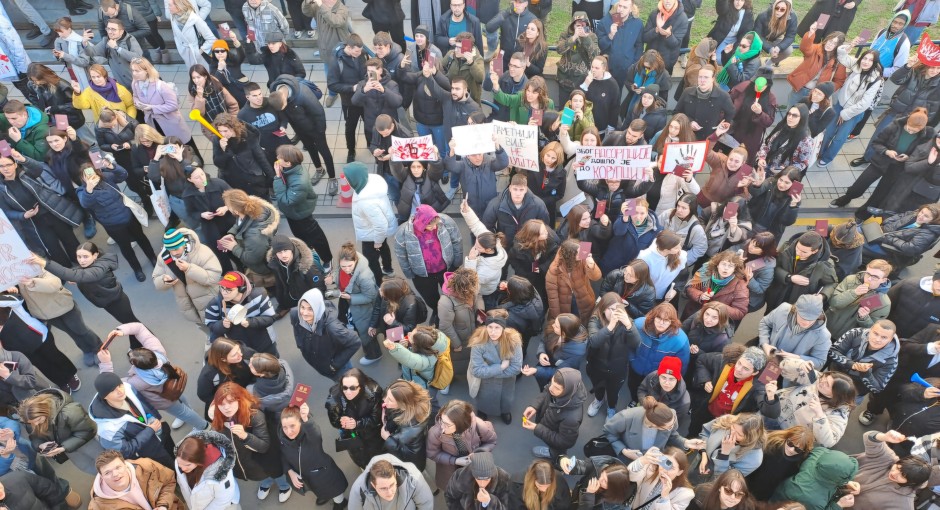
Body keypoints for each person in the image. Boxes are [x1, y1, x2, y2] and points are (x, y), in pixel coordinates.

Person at [97, 323, 208, 431]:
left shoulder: (137, 381)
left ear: (138, 366)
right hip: (173, 386)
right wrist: (122, 330)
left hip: (164, 399)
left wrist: (105, 363)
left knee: (182, 412)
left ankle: (203, 427)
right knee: (179, 398)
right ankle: (189, 412)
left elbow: (109, 384)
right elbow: (140, 328)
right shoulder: (158, 352)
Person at [30, 243, 143, 347]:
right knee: (130, 324)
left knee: (133, 325)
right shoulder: (90, 265)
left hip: (117, 303)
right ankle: (136, 345)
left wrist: (45, 263)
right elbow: (81, 273)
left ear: (95, 255)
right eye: (79, 257)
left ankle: (142, 344)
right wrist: (80, 280)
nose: (81, 260)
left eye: (85, 256)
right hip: (109, 302)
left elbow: (77, 274)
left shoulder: (100, 268)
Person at [831, 110, 934, 217]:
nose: (911, 132)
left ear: (922, 128)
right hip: (880, 161)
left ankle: (863, 214)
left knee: (880, 194)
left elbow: (920, 153)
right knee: (860, 185)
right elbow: (876, 143)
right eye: (909, 129)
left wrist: (909, 157)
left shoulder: (926, 135)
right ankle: (846, 198)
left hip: (897, 167)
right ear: (908, 120)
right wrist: (886, 151)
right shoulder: (894, 127)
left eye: (915, 132)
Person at [0, 151, 82, 270]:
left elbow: (38, 168)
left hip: (51, 211)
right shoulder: (2, 188)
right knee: (52, 247)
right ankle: (65, 270)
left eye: (8, 165)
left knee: (69, 238)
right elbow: (6, 212)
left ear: (15, 165)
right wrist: (23, 215)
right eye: (1, 166)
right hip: (34, 222)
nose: (5, 169)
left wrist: (23, 159)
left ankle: (80, 260)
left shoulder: (25, 173)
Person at [207, 382, 286, 501]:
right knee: (260, 475)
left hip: (263, 459)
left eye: (231, 402)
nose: (226, 407)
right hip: (245, 464)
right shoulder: (218, 420)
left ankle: (284, 485)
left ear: (239, 400)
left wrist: (245, 436)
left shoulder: (254, 416)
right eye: (221, 404)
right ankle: (266, 481)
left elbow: (264, 446)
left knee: (274, 472)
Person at [816, 46, 884, 169]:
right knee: (828, 132)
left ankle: (827, 158)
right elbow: (842, 56)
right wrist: (846, 47)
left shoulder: (875, 79)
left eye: (870, 60)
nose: (866, 62)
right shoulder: (857, 66)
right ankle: (819, 153)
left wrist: (845, 114)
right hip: (839, 106)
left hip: (854, 113)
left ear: (874, 63)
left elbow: (865, 103)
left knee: (839, 138)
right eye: (865, 58)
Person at [88, 372, 175, 468]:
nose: (120, 391)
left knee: (176, 457)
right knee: (170, 470)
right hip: (149, 453)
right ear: (104, 396)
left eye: (119, 385)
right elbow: (126, 451)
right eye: (113, 390)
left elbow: (144, 403)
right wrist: (150, 431)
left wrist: (158, 418)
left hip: (160, 432)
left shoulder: (127, 388)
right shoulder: (107, 430)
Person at [768, 357, 856, 447]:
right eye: (825, 377)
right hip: (773, 408)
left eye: (827, 385)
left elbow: (828, 442)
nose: (822, 382)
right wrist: (799, 365)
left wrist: (820, 415)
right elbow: (783, 367)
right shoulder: (816, 378)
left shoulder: (839, 412)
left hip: (787, 434)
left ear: (835, 395)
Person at [691, 345, 777, 435]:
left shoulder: (757, 386)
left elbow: (771, 414)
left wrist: (771, 398)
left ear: (755, 372)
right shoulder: (724, 362)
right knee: (693, 431)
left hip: (726, 424)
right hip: (705, 409)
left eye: (745, 369)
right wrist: (705, 379)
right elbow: (702, 360)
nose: (738, 369)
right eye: (739, 363)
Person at [393, 205, 463, 315]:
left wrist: (456, 264)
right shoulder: (403, 232)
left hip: (447, 268)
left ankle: (452, 311)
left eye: (436, 224)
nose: (435, 228)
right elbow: (402, 255)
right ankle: (437, 311)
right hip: (423, 275)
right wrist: (410, 273)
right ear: (420, 222)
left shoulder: (446, 222)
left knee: (454, 293)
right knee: (430, 297)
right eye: (431, 225)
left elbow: (456, 241)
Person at [268, 74, 334, 188]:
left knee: (324, 151)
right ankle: (319, 169)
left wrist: (320, 131)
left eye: (284, 106)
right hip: (299, 128)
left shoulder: (303, 95)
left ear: (284, 97)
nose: (284, 109)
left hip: (315, 128)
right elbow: (282, 112)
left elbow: (319, 113)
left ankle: (332, 177)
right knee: (310, 148)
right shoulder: (275, 93)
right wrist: (284, 125)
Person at [279, 404, 349, 509]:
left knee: (335, 490)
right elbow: (283, 456)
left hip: (324, 473)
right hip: (308, 476)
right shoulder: (283, 440)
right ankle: (325, 495)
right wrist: (290, 472)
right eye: (285, 427)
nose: (288, 431)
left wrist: (306, 418)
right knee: (319, 489)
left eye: (292, 426)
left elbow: (315, 433)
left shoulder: (311, 437)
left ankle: (340, 502)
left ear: (301, 423)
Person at [152, 228, 222, 325]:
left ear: (183, 243)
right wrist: (163, 280)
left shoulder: (202, 252)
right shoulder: (163, 257)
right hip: (188, 306)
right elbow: (156, 279)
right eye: (170, 250)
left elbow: (213, 277)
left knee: (220, 328)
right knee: (204, 327)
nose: (174, 253)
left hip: (209, 302)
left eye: (176, 249)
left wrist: (189, 269)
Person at [343, 162, 397, 284]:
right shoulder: (371, 183)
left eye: (347, 177)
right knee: (383, 247)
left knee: (371, 260)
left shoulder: (366, 202)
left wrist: (377, 241)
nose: (345, 179)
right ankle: (388, 269)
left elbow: (380, 224)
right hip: (377, 232)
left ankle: (379, 283)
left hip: (371, 234)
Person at [130, 58, 197, 158]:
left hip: (169, 121)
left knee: (184, 144)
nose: (134, 73)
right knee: (166, 144)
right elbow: (135, 95)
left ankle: (196, 162)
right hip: (153, 122)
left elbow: (173, 105)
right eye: (133, 70)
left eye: (137, 71)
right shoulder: (135, 84)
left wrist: (152, 108)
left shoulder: (161, 86)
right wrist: (137, 102)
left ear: (146, 71)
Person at [603, 396, 703, 462]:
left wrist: (685, 442)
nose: (672, 427)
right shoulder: (625, 418)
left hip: (655, 459)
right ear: (655, 426)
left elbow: (672, 435)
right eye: (668, 427)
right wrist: (624, 451)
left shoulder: (671, 415)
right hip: (630, 458)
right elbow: (609, 432)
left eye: (672, 424)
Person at [426, 399, 497, 491]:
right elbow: (432, 453)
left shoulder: (479, 426)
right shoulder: (435, 432)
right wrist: (455, 461)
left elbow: (491, 441)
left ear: (461, 424)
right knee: (453, 490)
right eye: (441, 420)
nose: (442, 428)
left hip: (475, 466)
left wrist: (478, 454)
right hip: (449, 468)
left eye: (447, 425)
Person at [852, 431, 932, 509]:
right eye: (897, 467)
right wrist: (884, 437)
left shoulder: (903, 505)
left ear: (912, 482)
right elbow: (869, 437)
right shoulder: (888, 458)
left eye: (902, 475)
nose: (894, 473)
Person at [829, 320, 900, 408]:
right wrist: (852, 365)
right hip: (830, 380)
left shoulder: (891, 361)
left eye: (884, 337)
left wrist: (866, 373)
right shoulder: (855, 333)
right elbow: (833, 351)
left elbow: (877, 388)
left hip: (852, 394)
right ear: (870, 329)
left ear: (891, 339)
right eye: (875, 333)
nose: (877, 339)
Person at [205, 270, 278, 355]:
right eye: (222, 288)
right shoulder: (215, 304)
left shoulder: (259, 295)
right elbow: (210, 325)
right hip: (240, 349)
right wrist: (222, 325)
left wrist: (250, 322)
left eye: (229, 290)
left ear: (241, 289)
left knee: (273, 364)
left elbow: (271, 317)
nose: (224, 292)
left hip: (266, 343)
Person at [469, 312, 523, 424]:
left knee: (506, 399)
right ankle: (483, 411)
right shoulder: (478, 342)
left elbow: (516, 368)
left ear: (503, 328)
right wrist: (501, 367)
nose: (493, 332)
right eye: (490, 327)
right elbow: (476, 371)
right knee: (484, 398)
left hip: (504, 382)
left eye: (497, 328)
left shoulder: (513, 341)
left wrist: (488, 372)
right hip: (486, 384)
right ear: (486, 326)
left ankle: (505, 411)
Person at [326, 367, 384, 469]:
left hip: (372, 434)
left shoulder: (373, 392)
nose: (348, 392)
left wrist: (357, 423)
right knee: (359, 456)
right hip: (351, 435)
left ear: (361, 386)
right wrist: (341, 422)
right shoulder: (334, 399)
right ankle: (363, 466)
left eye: (352, 388)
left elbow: (377, 418)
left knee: (377, 454)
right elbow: (334, 422)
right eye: (345, 387)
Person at [764, 231, 837, 313]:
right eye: (797, 248)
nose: (798, 253)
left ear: (815, 251)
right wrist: (789, 277)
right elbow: (773, 267)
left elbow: (832, 283)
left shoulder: (825, 264)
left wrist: (822, 295)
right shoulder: (786, 248)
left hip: (798, 306)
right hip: (776, 299)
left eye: (804, 252)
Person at [522, 367, 586, 459]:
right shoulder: (559, 387)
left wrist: (537, 428)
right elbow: (546, 392)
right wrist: (534, 406)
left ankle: (553, 456)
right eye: (551, 382)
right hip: (548, 423)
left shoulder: (572, 418)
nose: (551, 388)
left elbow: (564, 442)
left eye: (557, 388)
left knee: (558, 452)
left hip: (556, 436)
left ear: (567, 390)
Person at [631, 304, 690, 403]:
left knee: (653, 393)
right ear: (653, 317)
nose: (661, 323)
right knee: (633, 386)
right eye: (658, 318)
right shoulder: (638, 325)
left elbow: (681, 366)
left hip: (658, 376)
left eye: (666, 320)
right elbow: (628, 343)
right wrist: (632, 359)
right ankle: (634, 400)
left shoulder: (680, 340)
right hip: (637, 368)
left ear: (672, 322)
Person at [88, 449, 184, 509]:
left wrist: (163, 506)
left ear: (125, 464)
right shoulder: (97, 506)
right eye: (107, 472)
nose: (115, 474)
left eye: (118, 467)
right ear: (102, 477)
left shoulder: (147, 467)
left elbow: (169, 482)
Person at [824, 260, 893, 340]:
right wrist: (854, 293)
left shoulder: (883, 302)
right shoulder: (851, 280)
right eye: (868, 273)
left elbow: (873, 329)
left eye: (875, 277)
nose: (869, 279)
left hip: (845, 338)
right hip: (825, 325)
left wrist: (864, 318)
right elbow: (834, 303)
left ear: (883, 280)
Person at [759, 294, 832, 369]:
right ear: (796, 309)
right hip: (764, 356)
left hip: (787, 370)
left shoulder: (823, 335)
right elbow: (765, 323)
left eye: (811, 319)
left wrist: (798, 358)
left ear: (819, 316)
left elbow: (820, 361)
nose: (807, 322)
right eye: (803, 317)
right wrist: (764, 343)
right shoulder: (783, 309)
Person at [211, 113, 272, 199]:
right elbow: (218, 163)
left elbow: (261, 158)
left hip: (253, 178)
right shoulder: (217, 139)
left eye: (225, 131)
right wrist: (224, 151)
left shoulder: (248, 136)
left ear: (233, 128)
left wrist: (271, 178)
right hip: (234, 181)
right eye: (220, 131)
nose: (223, 134)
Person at [266, 235, 327, 320]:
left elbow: (319, 286)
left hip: (306, 297)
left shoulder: (307, 265)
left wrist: (314, 307)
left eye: (285, 250)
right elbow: (280, 284)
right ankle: (286, 306)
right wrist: (282, 303)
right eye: (279, 252)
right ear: (275, 254)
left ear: (291, 249)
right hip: (291, 293)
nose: (283, 255)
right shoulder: (276, 263)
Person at [862, 205, 940, 271]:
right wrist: (887, 224)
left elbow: (910, 248)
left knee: (857, 243)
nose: (920, 216)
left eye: (926, 216)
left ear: (933, 220)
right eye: (922, 212)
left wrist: (889, 238)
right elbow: (898, 216)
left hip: (890, 249)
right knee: (858, 230)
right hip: (882, 234)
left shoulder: (928, 234)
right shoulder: (913, 214)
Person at [174, 432, 240, 509]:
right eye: (179, 463)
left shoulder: (220, 475)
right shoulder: (181, 459)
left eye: (188, 465)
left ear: (199, 460)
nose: (182, 468)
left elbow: (222, 500)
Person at [522, 313, 588, 390]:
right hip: (547, 365)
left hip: (557, 377)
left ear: (563, 333)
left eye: (556, 326)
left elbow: (561, 372)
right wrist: (541, 353)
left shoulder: (576, 353)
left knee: (551, 389)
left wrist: (536, 370)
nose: (552, 325)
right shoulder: (556, 329)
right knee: (543, 385)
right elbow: (543, 340)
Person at [881, 130, 940, 214]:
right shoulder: (924, 147)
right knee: (892, 209)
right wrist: (927, 163)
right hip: (907, 188)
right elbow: (909, 167)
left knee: (912, 215)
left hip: (925, 194)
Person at [683, 251, 750, 324]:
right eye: (723, 264)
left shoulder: (740, 285)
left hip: (713, 321)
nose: (726, 268)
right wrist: (700, 296)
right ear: (718, 265)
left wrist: (718, 307)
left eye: (730, 266)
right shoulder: (705, 271)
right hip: (692, 313)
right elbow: (689, 288)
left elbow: (740, 312)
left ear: (735, 269)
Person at [348, 454, 435, 510]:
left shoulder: (412, 477)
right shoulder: (358, 491)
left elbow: (426, 503)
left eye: (392, 485)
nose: (389, 492)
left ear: (395, 475)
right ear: (373, 485)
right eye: (383, 488)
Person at [546, 239, 602, 324]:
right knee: (570, 322)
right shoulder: (554, 270)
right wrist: (557, 318)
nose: (582, 255)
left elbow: (596, 277)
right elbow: (553, 298)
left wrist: (592, 266)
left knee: (585, 319)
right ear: (570, 256)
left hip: (584, 297)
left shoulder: (582, 257)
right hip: (565, 302)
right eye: (578, 253)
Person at [383, 325, 448, 397]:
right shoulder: (429, 347)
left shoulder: (425, 361)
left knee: (423, 400)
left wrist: (396, 348)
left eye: (411, 336)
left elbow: (411, 359)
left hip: (419, 386)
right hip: (412, 377)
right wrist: (405, 348)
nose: (409, 333)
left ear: (418, 345)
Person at [381, 379, 432, 470]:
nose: (385, 401)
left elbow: (404, 454)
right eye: (387, 396)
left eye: (390, 400)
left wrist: (388, 439)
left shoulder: (410, 429)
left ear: (403, 405)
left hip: (411, 464)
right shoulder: (408, 399)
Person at [675, 67, 736, 141]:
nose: (702, 80)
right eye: (700, 77)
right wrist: (689, 122)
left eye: (706, 77)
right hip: (688, 136)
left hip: (709, 137)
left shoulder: (723, 96)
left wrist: (722, 126)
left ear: (712, 79)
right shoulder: (687, 92)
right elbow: (677, 112)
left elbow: (731, 112)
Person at [698, 413, 766, 478]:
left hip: (711, 478)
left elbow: (725, 478)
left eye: (739, 434)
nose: (732, 433)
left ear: (750, 438)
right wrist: (703, 453)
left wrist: (724, 454)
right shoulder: (727, 419)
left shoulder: (754, 459)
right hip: (700, 458)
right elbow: (705, 432)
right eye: (733, 427)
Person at [788, 29, 847, 103]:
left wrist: (826, 91)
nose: (830, 44)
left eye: (834, 43)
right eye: (830, 41)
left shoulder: (839, 61)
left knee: (809, 114)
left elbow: (839, 81)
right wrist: (810, 33)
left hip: (816, 95)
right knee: (791, 111)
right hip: (799, 89)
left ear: (838, 47)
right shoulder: (816, 48)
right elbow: (805, 48)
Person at [638, 356, 693, 435]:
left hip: (660, 427)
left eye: (671, 379)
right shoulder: (651, 377)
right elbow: (642, 389)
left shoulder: (684, 402)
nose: (667, 383)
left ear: (677, 379)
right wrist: (645, 403)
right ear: (658, 375)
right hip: (646, 412)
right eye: (663, 377)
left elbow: (675, 423)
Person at [596, 0, 644, 90]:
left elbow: (639, 45)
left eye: (625, 7)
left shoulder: (637, 24)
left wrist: (634, 64)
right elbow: (600, 45)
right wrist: (610, 35)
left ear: (631, 9)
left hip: (626, 69)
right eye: (620, 6)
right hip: (609, 68)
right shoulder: (606, 22)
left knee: (619, 97)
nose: (621, 9)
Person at [84, 19, 144, 89]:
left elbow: (137, 58)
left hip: (136, 82)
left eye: (113, 29)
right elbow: (92, 53)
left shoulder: (130, 40)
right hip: (121, 84)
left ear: (121, 31)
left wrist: (117, 48)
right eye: (108, 29)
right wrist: (85, 43)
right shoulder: (106, 41)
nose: (109, 32)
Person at [746, 167, 803, 241]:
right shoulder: (771, 182)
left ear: (794, 184)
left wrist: (793, 205)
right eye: (781, 180)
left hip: (770, 233)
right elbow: (755, 192)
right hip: (752, 223)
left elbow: (787, 222)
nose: (781, 184)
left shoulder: (794, 198)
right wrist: (757, 185)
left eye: (787, 182)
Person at [555, 12, 600, 104]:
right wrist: (573, 37)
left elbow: (595, 56)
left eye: (583, 25)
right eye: (578, 25)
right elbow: (559, 49)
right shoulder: (565, 35)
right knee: (564, 108)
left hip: (581, 81)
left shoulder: (592, 36)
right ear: (573, 25)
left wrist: (586, 39)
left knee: (578, 107)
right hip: (564, 79)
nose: (581, 28)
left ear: (587, 24)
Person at [445, 450, 513, 510]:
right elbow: (450, 497)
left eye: (486, 479)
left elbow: (508, 506)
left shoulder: (504, 480)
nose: (482, 484)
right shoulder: (459, 476)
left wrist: (489, 501)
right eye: (478, 479)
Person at [560, 454, 633, 508]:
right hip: (575, 497)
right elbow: (584, 466)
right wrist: (565, 461)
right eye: (602, 474)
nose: (600, 479)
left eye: (604, 481)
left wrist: (588, 495)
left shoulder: (612, 505)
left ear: (612, 488)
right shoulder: (603, 464)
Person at [684, 303, 734, 378]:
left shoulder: (723, 339)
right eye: (707, 314)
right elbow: (683, 329)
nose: (708, 319)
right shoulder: (698, 316)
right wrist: (685, 344)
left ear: (721, 319)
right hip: (684, 355)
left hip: (697, 369)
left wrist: (698, 352)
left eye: (714, 318)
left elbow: (716, 361)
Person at [638, 231, 688, 302]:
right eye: (676, 247)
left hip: (665, 297)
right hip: (644, 297)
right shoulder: (644, 257)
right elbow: (638, 279)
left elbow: (682, 277)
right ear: (666, 250)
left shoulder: (681, 257)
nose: (680, 248)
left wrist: (675, 290)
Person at [642, 0, 689, 73]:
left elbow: (675, 44)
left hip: (666, 64)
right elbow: (644, 37)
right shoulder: (654, 14)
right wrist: (656, 30)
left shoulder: (682, 18)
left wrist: (668, 35)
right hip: (649, 60)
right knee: (646, 82)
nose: (667, 1)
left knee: (663, 83)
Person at [508, 459, 573, 510]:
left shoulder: (559, 480)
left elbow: (564, 505)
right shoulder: (516, 483)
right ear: (533, 479)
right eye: (540, 486)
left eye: (548, 486)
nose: (544, 490)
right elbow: (516, 506)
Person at [753, 0, 797, 66]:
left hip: (777, 38)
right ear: (774, 6)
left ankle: (769, 62)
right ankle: (755, 64)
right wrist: (769, 48)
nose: (778, 11)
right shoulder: (763, 16)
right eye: (777, 8)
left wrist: (779, 47)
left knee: (788, 50)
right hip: (761, 39)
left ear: (787, 10)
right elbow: (757, 34)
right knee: (753, 47)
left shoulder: (792, 17)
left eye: (782, 9)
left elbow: (790, 36)